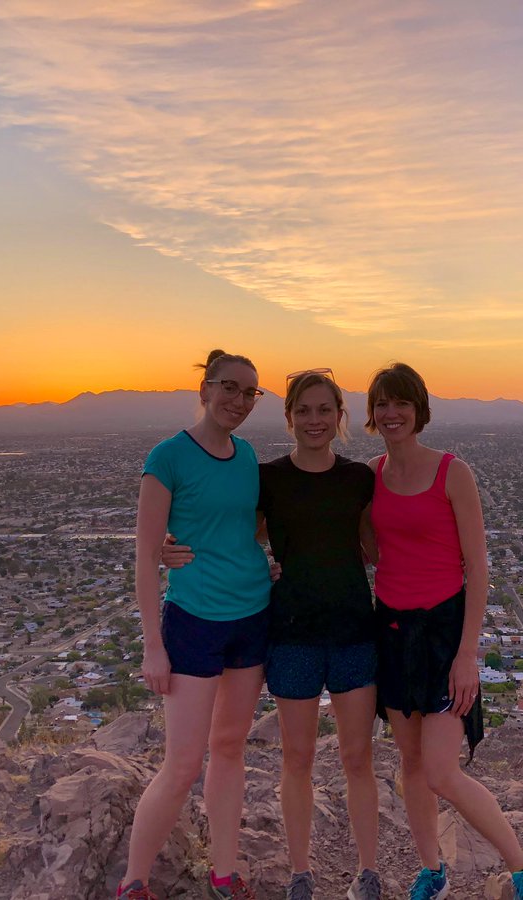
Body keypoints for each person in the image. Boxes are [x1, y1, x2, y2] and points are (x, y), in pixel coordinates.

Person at [165, 368, 383, 900]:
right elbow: (232, 532)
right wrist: (173, 546)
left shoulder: (359, 480)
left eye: (324, 410)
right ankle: (301, 872)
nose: (314, 420)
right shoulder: (270, 478)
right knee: (297, 758)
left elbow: (376, 548)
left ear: (339, 417)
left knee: (359, 758)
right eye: (303, 410)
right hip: (290, 635)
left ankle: (368, 872)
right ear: (288, 418)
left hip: (354, 631)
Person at [365, 362, 523, 900]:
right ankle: (433, 871)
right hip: (393, 629)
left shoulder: (453, 473)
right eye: (382, 403)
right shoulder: (372, 476)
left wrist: (467, 653)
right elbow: (359, 547)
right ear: (371, 413)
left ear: (419, 409)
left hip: (446, 632)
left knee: (442, 771)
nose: (391, 412)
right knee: (410, 763)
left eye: (401, 402)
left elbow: (478, 567)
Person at [117, 350, 271, 900]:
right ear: (204, 389)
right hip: (194, 621)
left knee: (230, 748)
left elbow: (243, 530)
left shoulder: (248, 455)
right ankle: (134, 883)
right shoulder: (168, 457)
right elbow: (143, 554)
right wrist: (152, 646)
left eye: (249, 393)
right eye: (229, 387)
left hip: (253, 615)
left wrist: (264, 559)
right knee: (182, 764)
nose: (238, 401)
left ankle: (224, 874)